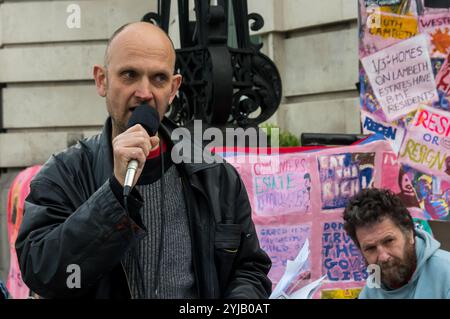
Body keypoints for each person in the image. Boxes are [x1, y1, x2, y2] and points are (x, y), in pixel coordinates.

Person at [15, 22, 271, 299]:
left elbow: (249, 268)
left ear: (174, 89)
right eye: (129, 75)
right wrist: (113, 193)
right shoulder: (65, 174)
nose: (144, 92)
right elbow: (42, 272)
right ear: (102, 80)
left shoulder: (215, 176)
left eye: (159, 79)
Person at [343, 188, 450, 299]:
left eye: (389, 241)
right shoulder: (371, 290)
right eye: (370, 248)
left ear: (409, 234)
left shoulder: (446, 274)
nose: (383, 257)